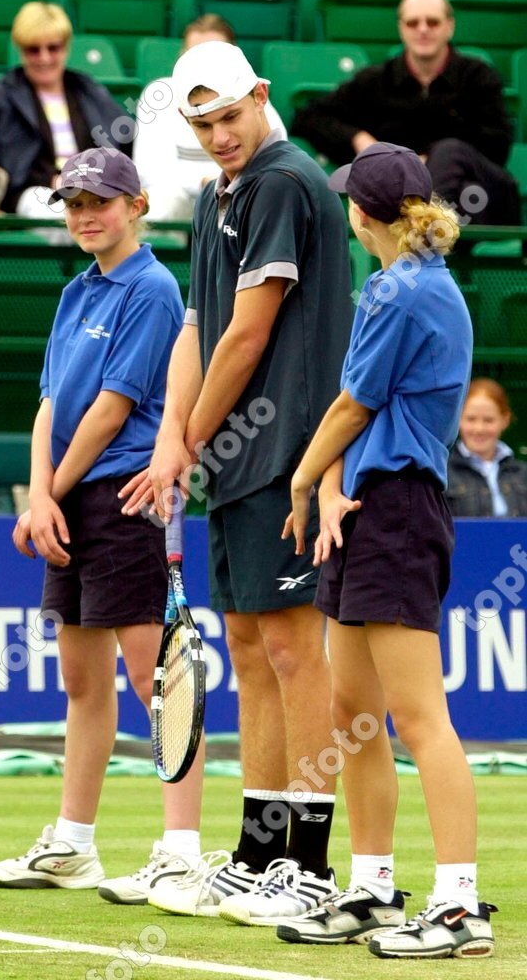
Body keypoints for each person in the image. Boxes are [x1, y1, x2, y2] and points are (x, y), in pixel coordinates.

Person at [120, 41, 353, 925]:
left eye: (229, 116)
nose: (219, 135)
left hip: (290, 455)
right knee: (254, 654)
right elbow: (195, 331)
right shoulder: (219, 197)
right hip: (234, 463)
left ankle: (312, 862)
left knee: (294, 653)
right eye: (202, 123)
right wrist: (173, 440)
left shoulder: (283, 182)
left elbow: (248, 338)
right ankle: (260, 852)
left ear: (259, 97)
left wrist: (188, 440)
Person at [280, 142, 497, 958]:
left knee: (417, 717)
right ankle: (370, 888)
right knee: (353, 713)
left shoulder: (403, 291)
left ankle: (457, 906)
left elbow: (348, 405)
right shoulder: (393, 284)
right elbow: (357, 408)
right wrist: (333, 488)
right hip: (367, 510)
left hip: (399, 511)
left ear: (360, 214)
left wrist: (303, 481)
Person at [0, 147, 204, 900]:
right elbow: (50, 404)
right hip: (70, 500)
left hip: (125, 499)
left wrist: (52, 492)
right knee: (81, 680)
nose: (82, 216)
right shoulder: (78, 288)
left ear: (135, 204)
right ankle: (73, 845)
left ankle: (182, 850)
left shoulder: (152, 288)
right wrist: (39, 494)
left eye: (97, 203)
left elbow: (111, 411)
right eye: (72, 205)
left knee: (157, 678)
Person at [292, 0, 520, 226]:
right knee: (454, 203)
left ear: (449, 27)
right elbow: (308, 117)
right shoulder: (376, 81)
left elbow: (498, 147)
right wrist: (358, 138)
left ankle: (419, 233)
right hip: (428, 202)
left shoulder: (478, 77)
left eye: (432, 22)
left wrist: (432, 162)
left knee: (450, 153)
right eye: (413, 23)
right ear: (401, 28)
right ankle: (424, 234)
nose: (423, 29)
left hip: (482, 190)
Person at [133, 14, 287, 222]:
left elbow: (276, 160)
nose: (220, 138)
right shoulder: (157, 95)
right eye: (193, 54)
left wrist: (225, 184)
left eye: (231, 117)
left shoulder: (249, 95)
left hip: (240, 202)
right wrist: (205, 183)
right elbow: (150, 171)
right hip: (175, 211)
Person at [0, 3, 132, 217]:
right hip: (35, 192)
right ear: (21, 51)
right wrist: (52, 179)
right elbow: (12, 161)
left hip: (92, 186)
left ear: (66, 48)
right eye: (33, 50)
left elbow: (120, 144)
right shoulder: (2, 96)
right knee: (59, 213)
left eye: (53, 48)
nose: (44, 58)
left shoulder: (88, 90)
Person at [446, 377, 527, 516]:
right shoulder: (443, 475)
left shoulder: (522, 474)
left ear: (505, 420)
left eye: (488, 420)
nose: (479, 429)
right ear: (458, 419)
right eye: (471, 419)